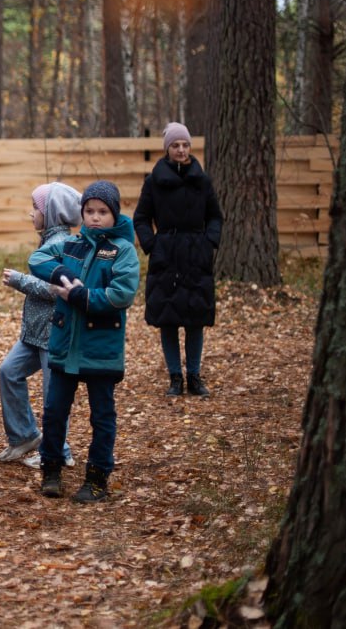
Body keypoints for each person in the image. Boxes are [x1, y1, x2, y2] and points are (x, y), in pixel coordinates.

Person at [29, 180, 140, 503]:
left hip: (100, 348)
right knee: (54, 411)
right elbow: (38, 260)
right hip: (66, 344)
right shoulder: (72, 244)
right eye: (89, 211)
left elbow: (122, 293)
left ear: (114, 214)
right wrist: (64, 274)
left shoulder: (122, 250)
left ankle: (97, 477)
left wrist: (79, 295)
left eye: (102, 212)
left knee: (102, 415)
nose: (94, 218)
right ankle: (51, 469)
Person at [133, 122, 224, 397]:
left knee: (196, 317)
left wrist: (208, 242)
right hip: (167, 257)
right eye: (175, 145)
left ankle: (194, 376)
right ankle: (175, 377)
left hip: (197, 255)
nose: (181, 150)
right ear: (167, 149)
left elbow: (215, 216)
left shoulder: (202, 180)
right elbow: (141, 218)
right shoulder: (154, 181)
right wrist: (153, 244)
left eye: (185, 145)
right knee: (168, 318)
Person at [0, 182, 81, 468]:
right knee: (9, 372)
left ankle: (59, 452)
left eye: (36, 208)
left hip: (53, 333)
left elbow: (55, 288)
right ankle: (24, 436)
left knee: (52, 395)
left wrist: (20, 280)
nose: (31, 214)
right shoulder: (49, 240)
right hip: (34, 334)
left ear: (52, 212)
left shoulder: (62, 244)